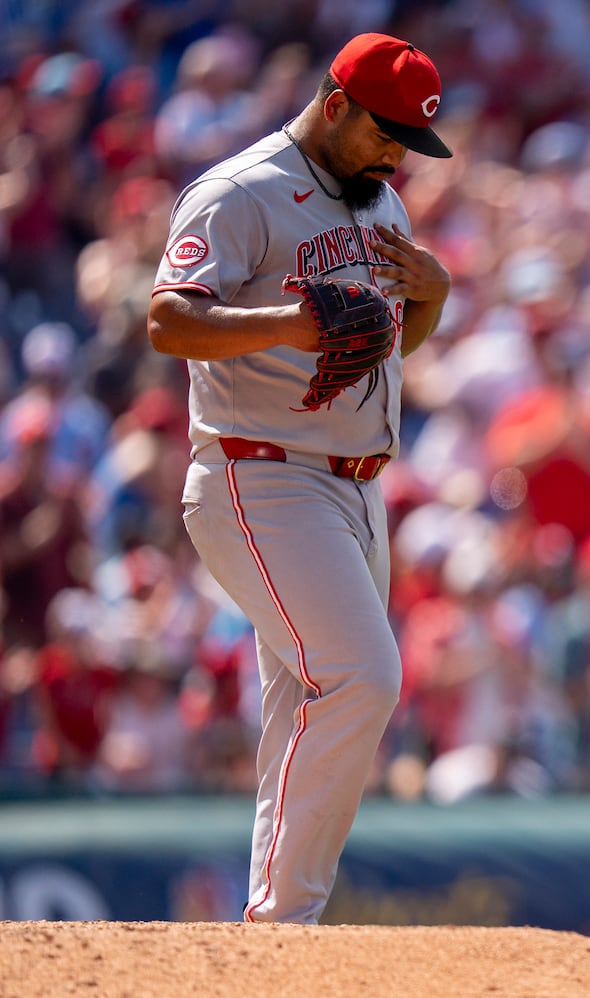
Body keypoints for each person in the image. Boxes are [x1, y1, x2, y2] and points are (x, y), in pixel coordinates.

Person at [146, 33, 452, 923]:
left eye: (410, 142)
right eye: (386, 132)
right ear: (335, 103)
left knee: (305, 697)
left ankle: (273, 935)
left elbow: (384, 347)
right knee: (362, 675)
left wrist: (431, 295)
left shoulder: (381, 204)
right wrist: (285, 322)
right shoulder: (237, 191)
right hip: (260, 472)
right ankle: (288, 927)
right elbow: (168, 322)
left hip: (357, 487)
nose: (397, 154)